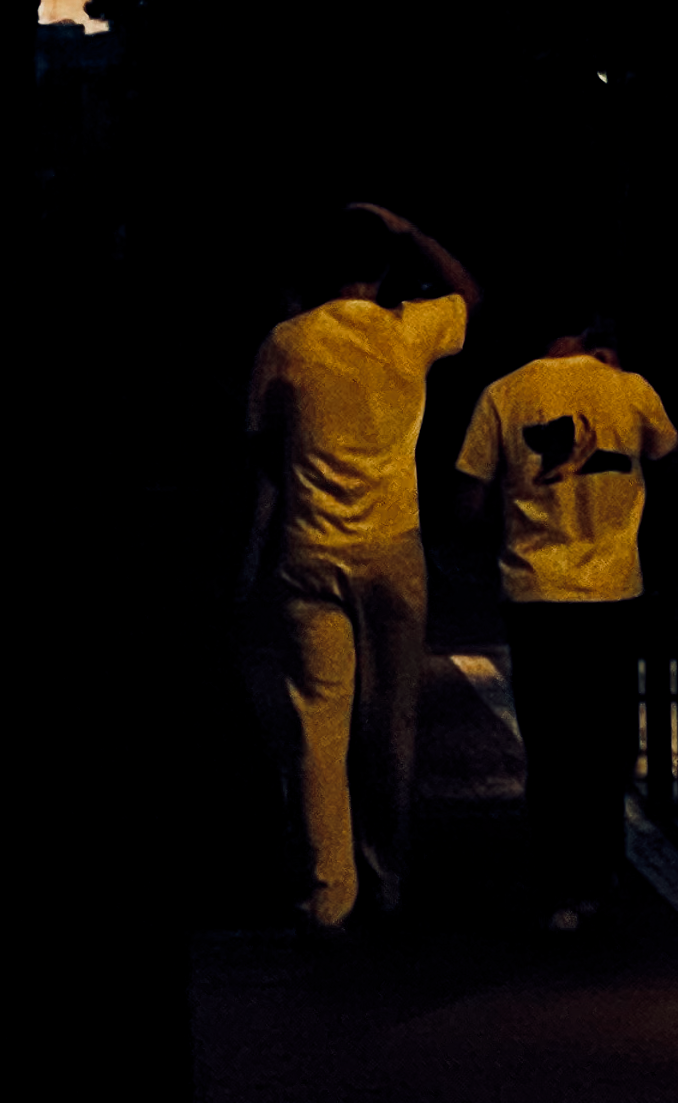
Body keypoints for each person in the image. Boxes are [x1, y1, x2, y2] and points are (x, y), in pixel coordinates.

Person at [242, 198, 481, 931]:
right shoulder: (410, 330)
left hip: (311, 548)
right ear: (383, 268)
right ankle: (388, 874)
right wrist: (413, 232)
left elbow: (261, 442)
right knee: (390, 721)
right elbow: (471, 296)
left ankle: (329, 891)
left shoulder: (288, 342)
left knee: (318, 722)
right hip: (392, 548)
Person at [455, 298, 678, 934]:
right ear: (591, 325)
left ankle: (558, 882)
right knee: (608, 740)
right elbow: (673, 461)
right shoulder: (629, 388)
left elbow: (468, 503)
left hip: (535, 593)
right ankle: (603, 869)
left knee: (551, 743)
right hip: (613, 592)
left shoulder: (503, 394)